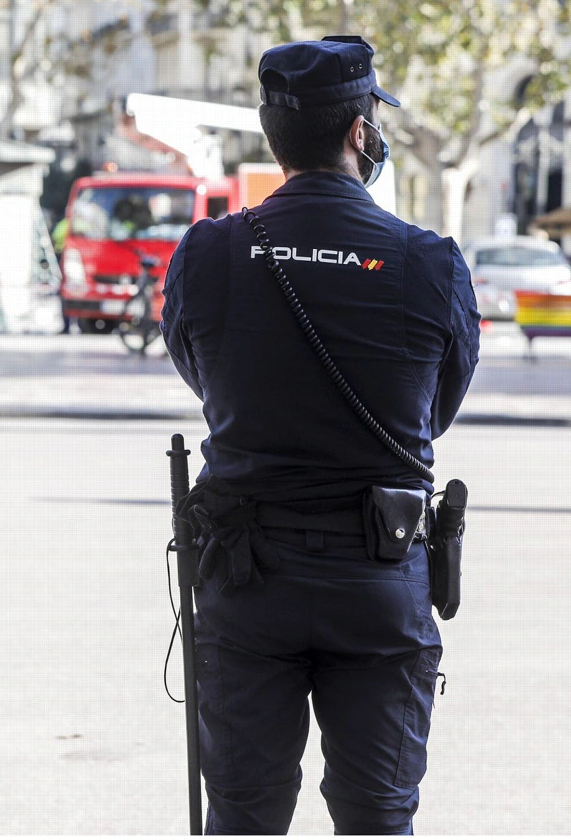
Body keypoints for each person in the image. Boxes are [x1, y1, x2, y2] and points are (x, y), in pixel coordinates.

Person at [161, 35, 479, 834]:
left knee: (243, 816)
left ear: (275, 137)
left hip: (246, 582)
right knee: (378, 819)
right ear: (359, 133)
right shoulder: (430, 263)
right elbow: (432, 413)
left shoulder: (207, 254)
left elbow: (203, 378)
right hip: (379, 583)